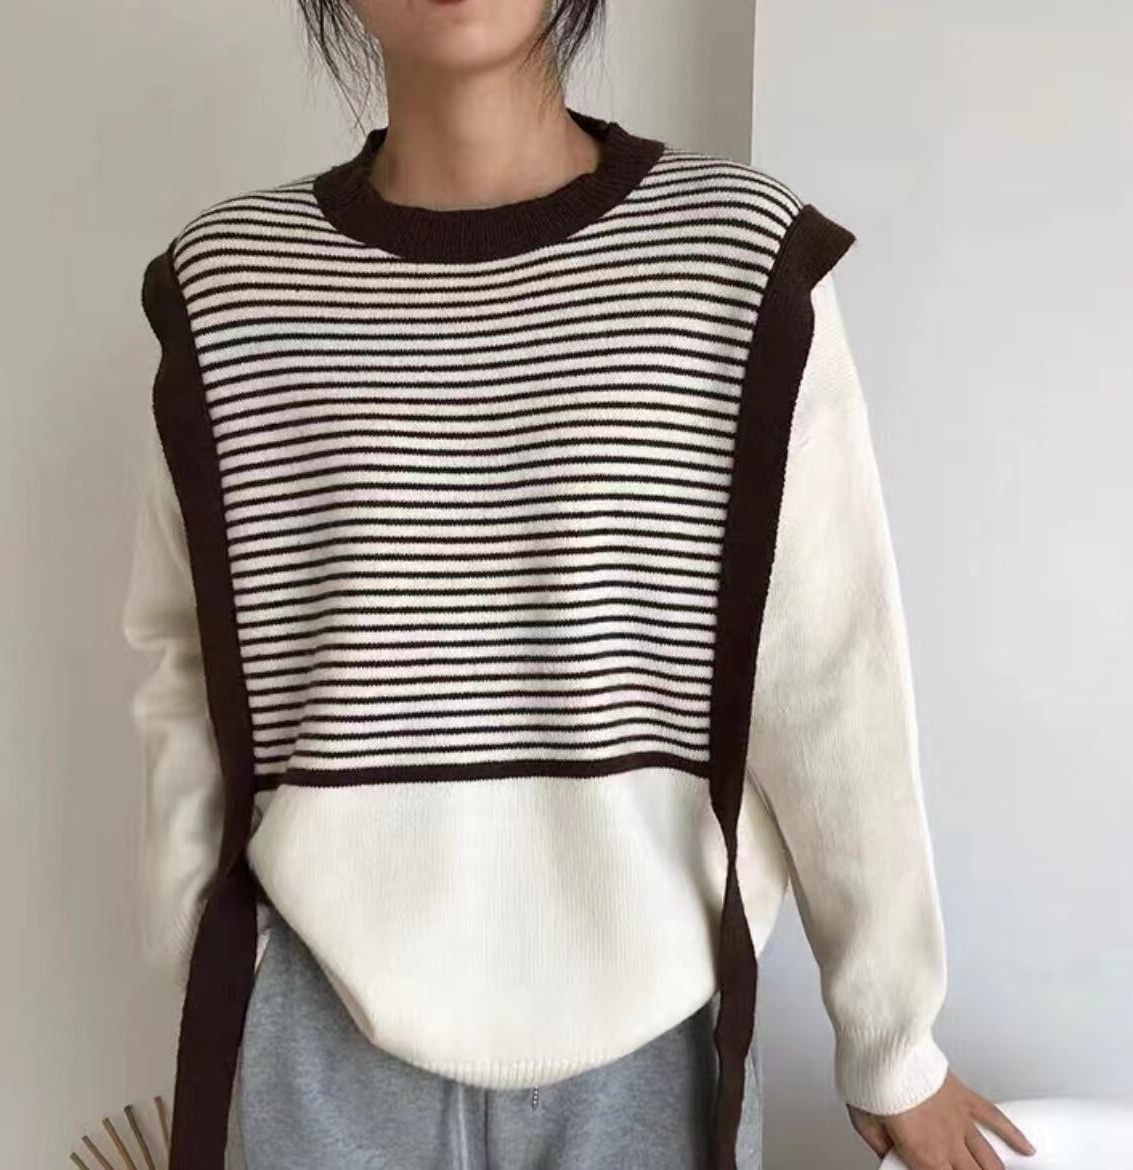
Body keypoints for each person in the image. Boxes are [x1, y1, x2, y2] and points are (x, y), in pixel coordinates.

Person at [120, 3, 1038, 1169]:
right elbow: (186, 663)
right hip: (313, 1031)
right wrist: (215, 970)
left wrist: (890, 1038)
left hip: (652, 1039)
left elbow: (825, 672)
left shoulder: (733, 260)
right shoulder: (230, 288)